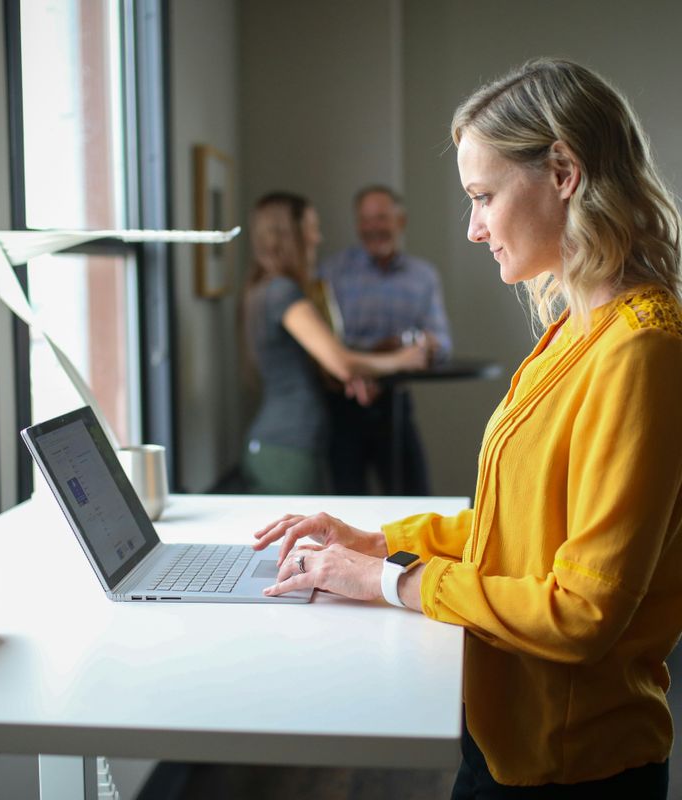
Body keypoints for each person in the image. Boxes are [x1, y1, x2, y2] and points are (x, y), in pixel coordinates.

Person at [253, 58, 682, 797]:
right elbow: (515, 532)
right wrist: (382, 543)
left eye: (483, 197)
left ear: (563, 172)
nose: (475, 228)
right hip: (508, 732)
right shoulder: (577, 329)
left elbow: (581, 611)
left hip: (571, 766)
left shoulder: (641, 349)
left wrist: (395, 583)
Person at [241, 191, 428, 495]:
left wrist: (349, 378)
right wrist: (403, 359)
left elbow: (320, 365)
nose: (318, 238)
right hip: (288, 447)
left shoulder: (266, 288)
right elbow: (341, 361)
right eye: (311, 228)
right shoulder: (283, 293)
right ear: (290, 235)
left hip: (282, 445)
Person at [319, 185, 452, 496]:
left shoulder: (423, 276)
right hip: (344, 405)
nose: (373, 228)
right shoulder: (331, 273)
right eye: (366, 220)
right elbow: (327, 345)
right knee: (346, 505)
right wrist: (381, 354)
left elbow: (443, 343)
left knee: (415, 500)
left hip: (396, 405)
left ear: (400, 221)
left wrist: (424, 346)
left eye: (381, 218)